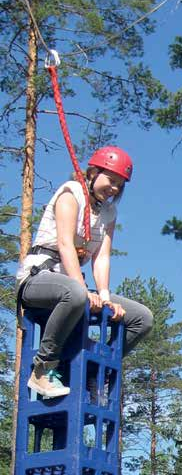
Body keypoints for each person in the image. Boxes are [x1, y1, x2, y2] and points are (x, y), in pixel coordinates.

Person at [16, 146, 153, 399]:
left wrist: (104, 296)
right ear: (94, 172)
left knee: (141, 318)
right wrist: (82, 288)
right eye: (111, 180)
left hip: (70, 285)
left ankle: (95, 370)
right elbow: (66, 244)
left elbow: (101, 257)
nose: (114, 188)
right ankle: (43, 369)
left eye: (119, 185)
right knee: (77, 293)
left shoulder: (108, 213)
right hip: (39, 278)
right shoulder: (71, 194)